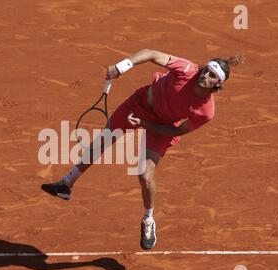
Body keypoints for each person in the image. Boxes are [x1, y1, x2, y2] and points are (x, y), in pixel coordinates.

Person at [41, 49, 244, 250]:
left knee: (145, 176)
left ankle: (148, 219)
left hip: (161, 127)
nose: (204, 76)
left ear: (218, 84)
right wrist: (122, 67)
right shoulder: (186, 69)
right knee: (103, 141)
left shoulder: (206, 112)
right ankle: (66, 185)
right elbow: (150, 54)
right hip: (138, 104)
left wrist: (144, 124)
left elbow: (179, 131)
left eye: (212, 76)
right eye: (206, 70)